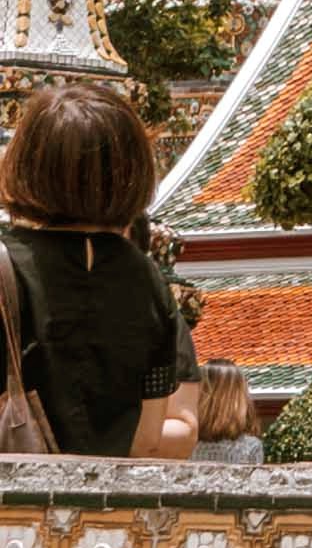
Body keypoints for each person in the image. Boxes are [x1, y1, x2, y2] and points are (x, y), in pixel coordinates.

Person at [0, 78, 195, 452]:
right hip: (106, 503)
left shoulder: (7, 266)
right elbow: (148, 441)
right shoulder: (147, 277)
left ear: (29, 163)